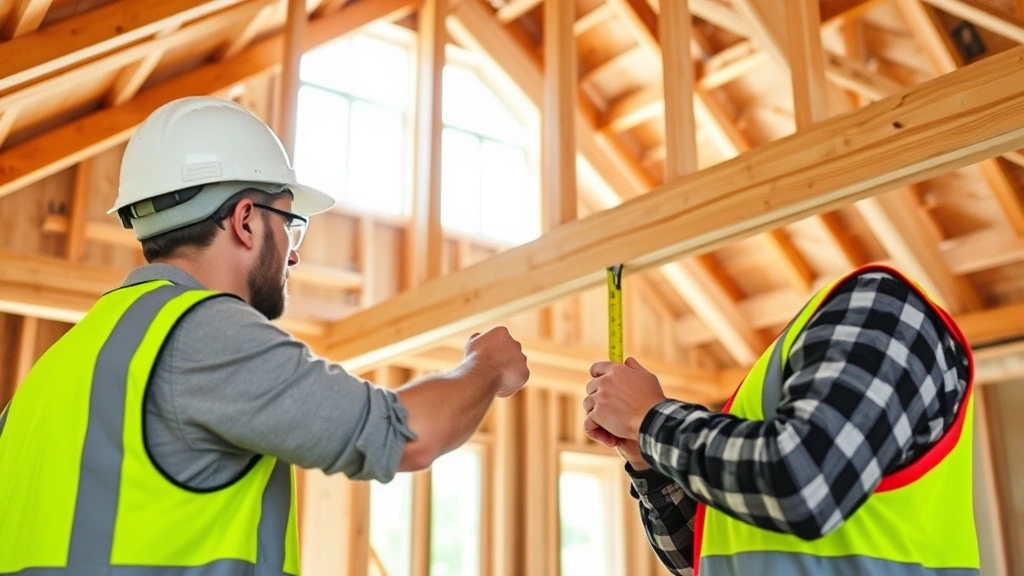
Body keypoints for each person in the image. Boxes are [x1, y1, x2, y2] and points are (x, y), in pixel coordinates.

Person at [0, 96, 530, 575]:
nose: (294, 251)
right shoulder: (201, 334)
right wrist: (485, 365)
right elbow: (410, 436)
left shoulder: (57, 368)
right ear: (246, 221)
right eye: (290, 224)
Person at [582, 264, 979, 575]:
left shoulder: (886, 308)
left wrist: (650, 419)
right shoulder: (767, 389)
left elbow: (804, 482)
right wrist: (649, 460)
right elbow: (702, 560)